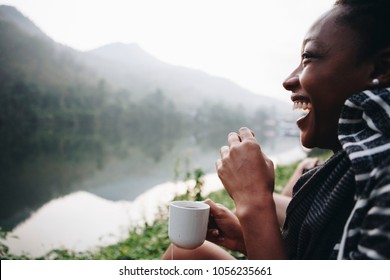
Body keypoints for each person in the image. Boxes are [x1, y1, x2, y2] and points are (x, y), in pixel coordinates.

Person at [162, 0, 390, 260]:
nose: (289, 80)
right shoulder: (360, 160)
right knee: (188, 253)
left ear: (381, 68)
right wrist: (246, 238)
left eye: (309, 58)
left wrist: (253, 202)